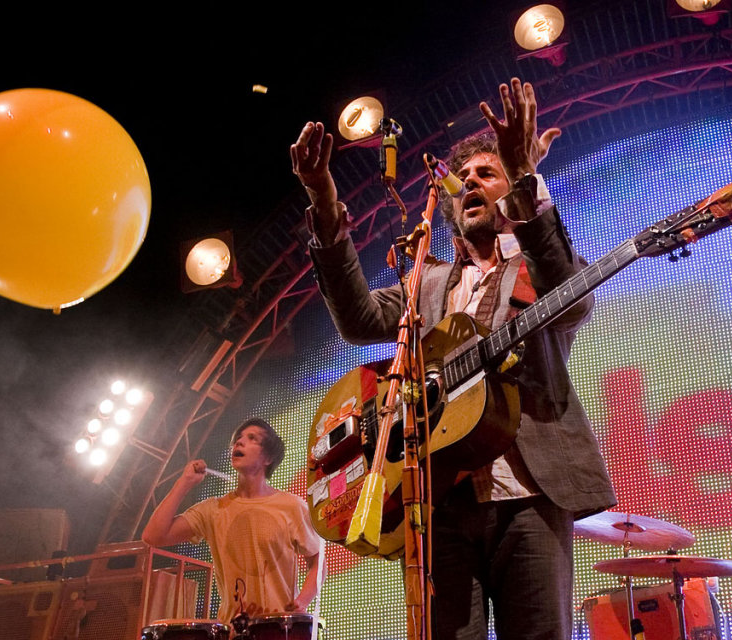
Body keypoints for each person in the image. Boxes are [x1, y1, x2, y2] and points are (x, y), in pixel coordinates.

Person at [291, 77, 616, 640]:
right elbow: (356, 319)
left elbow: (570, 302)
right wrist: (324, 205)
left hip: (531, 496)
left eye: (485, 174)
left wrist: (524, 179)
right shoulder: (429, 282)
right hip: (436, 499)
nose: (470, 182)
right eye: (463, 177)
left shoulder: (539, 265)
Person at [142, 418, 322, 625]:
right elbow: (153, 536)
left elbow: (318, 560)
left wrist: (302, 601)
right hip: (233, 629)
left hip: (280, 628)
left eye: (251, 438)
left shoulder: (292, 506)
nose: (239, 442)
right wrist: (184, 483)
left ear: (268, 457)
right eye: (238, 439)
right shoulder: (211, 510)